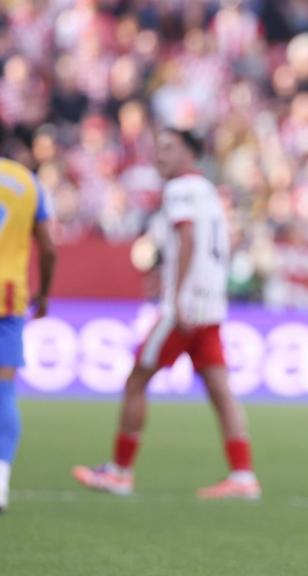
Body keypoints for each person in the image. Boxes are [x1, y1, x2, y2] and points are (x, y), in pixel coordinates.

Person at [72, 129, 260, 500]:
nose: (159, 156)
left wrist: (176, 297)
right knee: (220, 389)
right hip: (210, 304)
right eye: (157, 148)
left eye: (168, 148)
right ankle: (243, 476)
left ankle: (120, 472)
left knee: (137, 378)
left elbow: (187, 238)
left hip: (184, 307)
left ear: (190, 153)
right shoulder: (208, 191)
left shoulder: (178, 191)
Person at [0, 154, 57, 514]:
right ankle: (0, 482)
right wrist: (45, 292)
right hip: (8, 297)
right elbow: (49, 246)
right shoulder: (28, 182)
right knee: (4, 394)